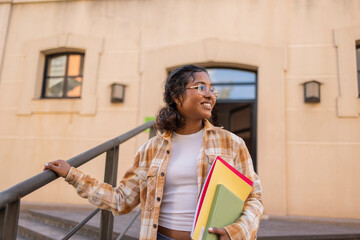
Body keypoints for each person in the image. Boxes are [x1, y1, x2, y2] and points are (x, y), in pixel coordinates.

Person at [44, 65, 263, 240]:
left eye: (211, 88)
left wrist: (236, 233)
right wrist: (72, 174)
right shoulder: (150, 150)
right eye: (201, 87)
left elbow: (253, 198)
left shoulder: (232, 144)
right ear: (177, 96)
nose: (210, 95)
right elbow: (121, 201)